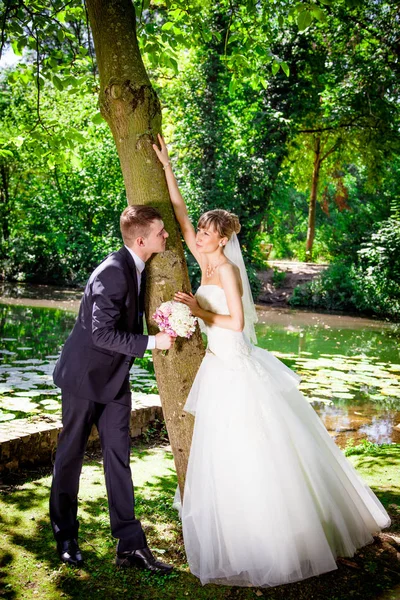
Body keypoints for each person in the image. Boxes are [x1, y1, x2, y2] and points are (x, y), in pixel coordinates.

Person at [153, 135, 391, 588]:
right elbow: (179, 212)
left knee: (255, 450)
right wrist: (167, 166)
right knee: (224, 454)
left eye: (205, 232)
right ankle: (240, 531)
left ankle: (280, 541)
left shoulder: (226, 271)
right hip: (219, 371)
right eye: (199, 230)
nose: (197, 235)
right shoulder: (202, 257)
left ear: (221, 238)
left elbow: (237, 322)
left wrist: (198, 311)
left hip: (237, 367)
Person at [50, 205, 174, 574]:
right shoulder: (112, 272)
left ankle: (130, 546)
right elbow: (101, 332)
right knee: (70, 456)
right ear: (141, 239)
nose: (166, 237)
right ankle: (66, 536)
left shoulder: (139, 266)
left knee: (119, 457)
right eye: (160, 233)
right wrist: (154, 342)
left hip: (115, 381)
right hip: (83, 379)